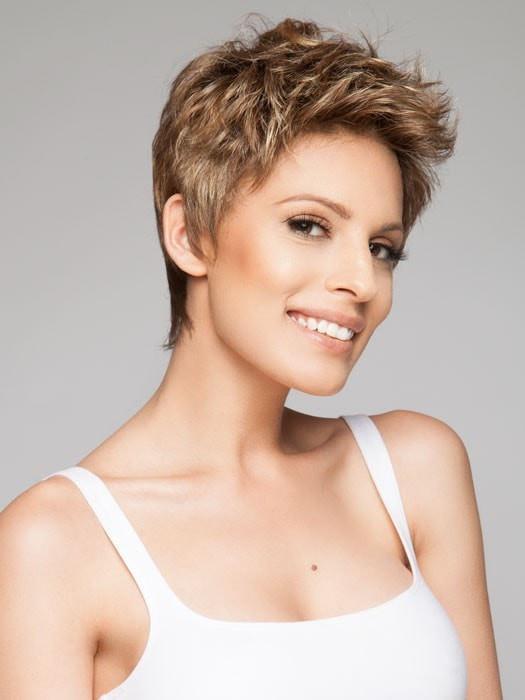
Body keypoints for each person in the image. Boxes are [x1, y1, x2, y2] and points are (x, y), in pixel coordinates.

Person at [0, 14, 502, 699]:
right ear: (189, 236)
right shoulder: (54, 543)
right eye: (308, 225)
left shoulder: (415, 471)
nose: (362, 280)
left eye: (381, 248)